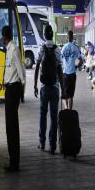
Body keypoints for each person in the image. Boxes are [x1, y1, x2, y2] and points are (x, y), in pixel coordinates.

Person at [33, 25, 63, 154]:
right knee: (53, 116)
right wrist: (64, 89)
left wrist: (35, 85)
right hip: (55, 88)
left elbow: (37, 67)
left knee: (42, 115)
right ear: (53, 35)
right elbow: (60, 70)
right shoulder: (57, 50)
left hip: (44, 88)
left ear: (45, 35)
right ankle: (52, 146)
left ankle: (42, 142)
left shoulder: (41, 49)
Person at [2, 25, 25, 172]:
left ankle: (14, 162)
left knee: (12, 127)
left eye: (2, 37)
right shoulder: (8, 50)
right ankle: (12, 160)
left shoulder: (14, 50)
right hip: (9, 89)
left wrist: (21, 90)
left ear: (5, 37)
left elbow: (20, 70)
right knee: (9, 126)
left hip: (14, 89)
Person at [61, 30, 82, 110]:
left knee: (64, 95)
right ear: (73, 38)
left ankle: (66, 108)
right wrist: (76, 66)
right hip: (72, 74)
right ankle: (69, 111)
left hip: (65, 74)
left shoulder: (63, 48)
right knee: (71, 95)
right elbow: (81, 61)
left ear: (67, 37)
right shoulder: (75, 48)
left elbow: (60, 61)